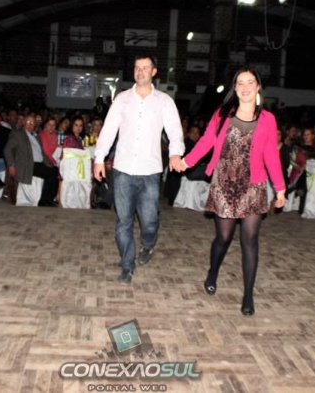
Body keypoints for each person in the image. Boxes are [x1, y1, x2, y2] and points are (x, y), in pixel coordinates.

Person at [175, 66, 285, 316]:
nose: (245, 87)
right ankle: (213, 272)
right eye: (240, 83)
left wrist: (279, 188)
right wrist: (187, 161)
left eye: (250, 82)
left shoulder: (267, 119)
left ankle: (248, 295)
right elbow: (207, 141)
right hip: (224, 183)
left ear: (258, 87)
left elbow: (271, 154)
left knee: (250, 240)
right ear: (235, 88)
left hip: (254, 185)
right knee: (223, 238)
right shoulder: (223, 113)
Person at [94, 54, 185, 284]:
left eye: (145, 68)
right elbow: (108, 129)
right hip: (123, 170)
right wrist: (99, 158)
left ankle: (148, 244)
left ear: (154, 72)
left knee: (149, 221)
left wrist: (175, 153)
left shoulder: (164, 101)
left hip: (150, 172)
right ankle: (127, 265)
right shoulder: (122, 99)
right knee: (123, 221)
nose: (140, 71)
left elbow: (175, 131)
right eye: (137, 68)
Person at [3, 114, 59, 206]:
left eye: (32, 123)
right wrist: (11, 165)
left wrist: (50, 162)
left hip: (39, 163)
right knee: (50, 173)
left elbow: (42, 153)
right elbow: (7, 149)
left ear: (35, 126)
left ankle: (49, 199)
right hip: (27, 164)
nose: (30, 124)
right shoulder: (17, 134)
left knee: (55, 170)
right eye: (28, 122)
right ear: (24, 122)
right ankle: (44, 201)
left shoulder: (36, 137)